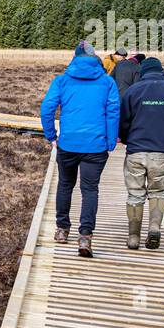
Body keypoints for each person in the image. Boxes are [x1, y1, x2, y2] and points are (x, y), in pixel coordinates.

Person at [39, 40, 121, 258]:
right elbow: (113, 113)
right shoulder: (107, 83)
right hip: (96, 146)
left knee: (65, 184)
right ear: (95, 58)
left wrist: (51, 136)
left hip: (67, 143)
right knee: (90, 189)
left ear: (74, 58)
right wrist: (111, 141)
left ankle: (62, 230)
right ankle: (85, 236)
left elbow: (47, 109)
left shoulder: (62, 81)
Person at [119, 57, 164, 250]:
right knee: (158, 192)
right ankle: (154, 227)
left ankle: (133, 238)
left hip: (135, 152)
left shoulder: (133, 91)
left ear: (143, 72)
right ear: (160, 71)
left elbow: (123, 122)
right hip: (161, 151)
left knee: (135, 194)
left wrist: (126, 140)